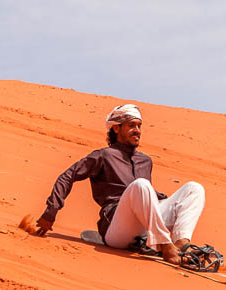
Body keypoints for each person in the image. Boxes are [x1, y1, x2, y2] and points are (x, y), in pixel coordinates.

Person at [32, 104, 206, 265]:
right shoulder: (103, 156)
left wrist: (167, 203)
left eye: (139, 126)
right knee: (141, 185)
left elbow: (145, 195)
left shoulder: (145, 161)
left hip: (145, 227)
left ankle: (181, 243)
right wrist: (51, 212)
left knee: (194, 188)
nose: (137, 130)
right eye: (131, 125)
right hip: (117, 229)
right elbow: (67, 176)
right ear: (116, 128)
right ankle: (165, 245)